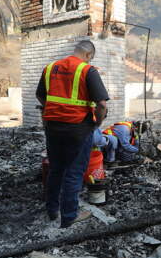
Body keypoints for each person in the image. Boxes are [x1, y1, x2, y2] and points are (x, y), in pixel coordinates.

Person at [36, 40, 109, 228]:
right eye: (90, 59)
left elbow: (40, 96)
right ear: (88, 55)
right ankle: (69, 217)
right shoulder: (87, 71)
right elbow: (101, 104)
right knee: (74, 172)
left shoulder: (50, 68)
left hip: (52, 127)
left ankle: (52, 210)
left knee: (56, 169)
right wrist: (97, 123)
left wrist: (52, 110)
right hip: (78, 129)